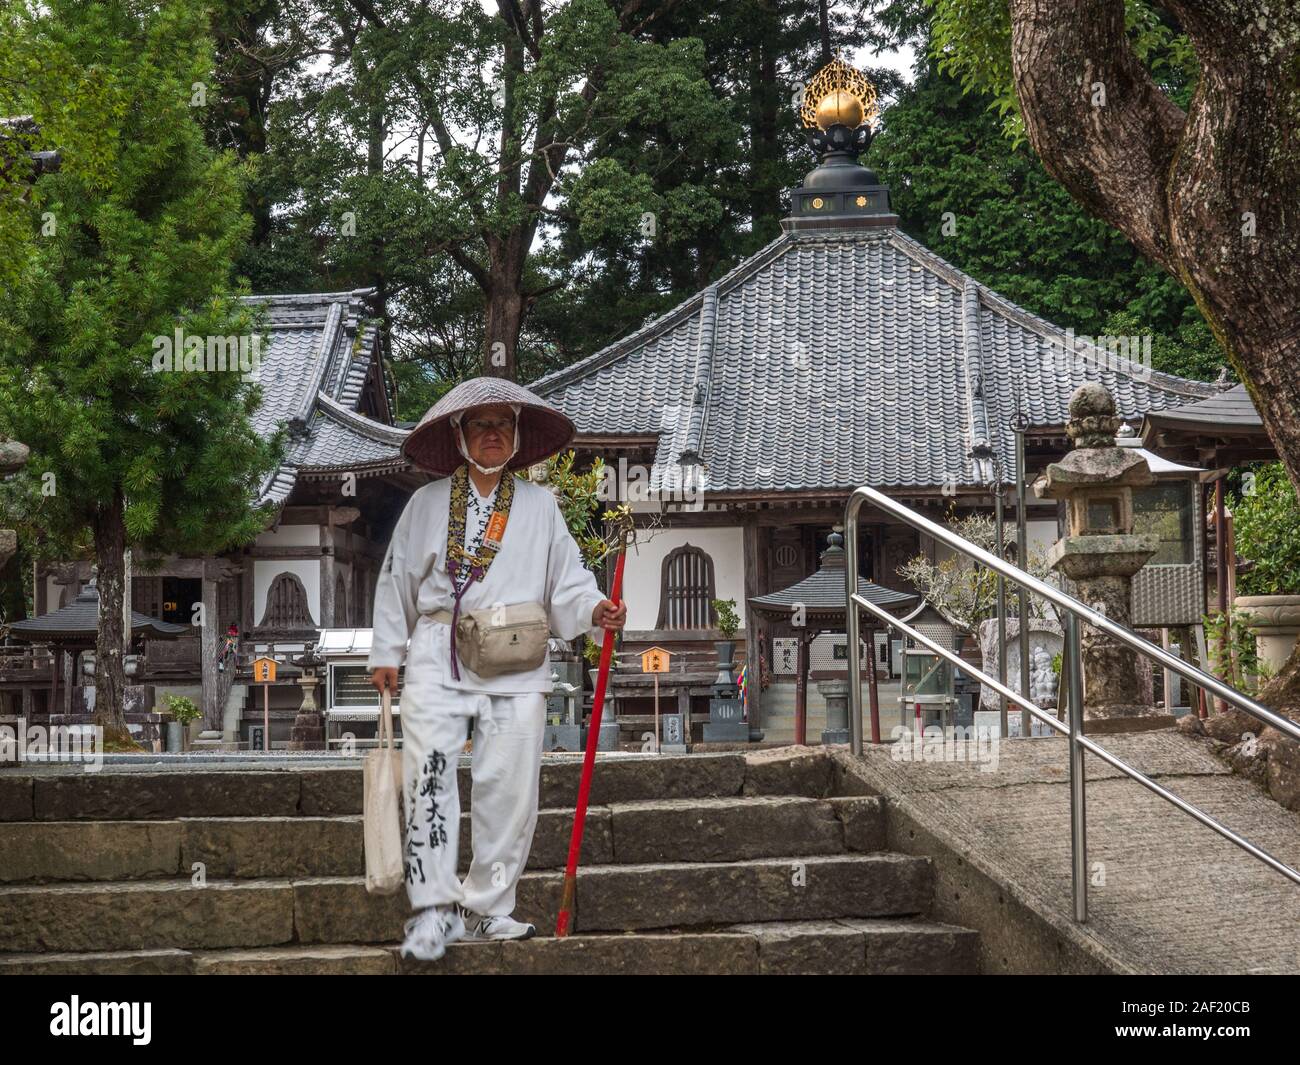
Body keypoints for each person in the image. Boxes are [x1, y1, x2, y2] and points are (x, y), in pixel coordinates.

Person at [367, 377, 626, 962]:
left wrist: (594, 609)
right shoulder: (427, 503)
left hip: (516, 654)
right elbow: (397, 578)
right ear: (459, 435)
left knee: (509, 786)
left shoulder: (541, 505)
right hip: (437, 648)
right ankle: (433, 912)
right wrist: (388, 650)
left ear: (516, 437)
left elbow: (570, 579)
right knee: (431, 778)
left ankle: (488, 909)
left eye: (502, 425)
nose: (492, 435)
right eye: (480, 424)